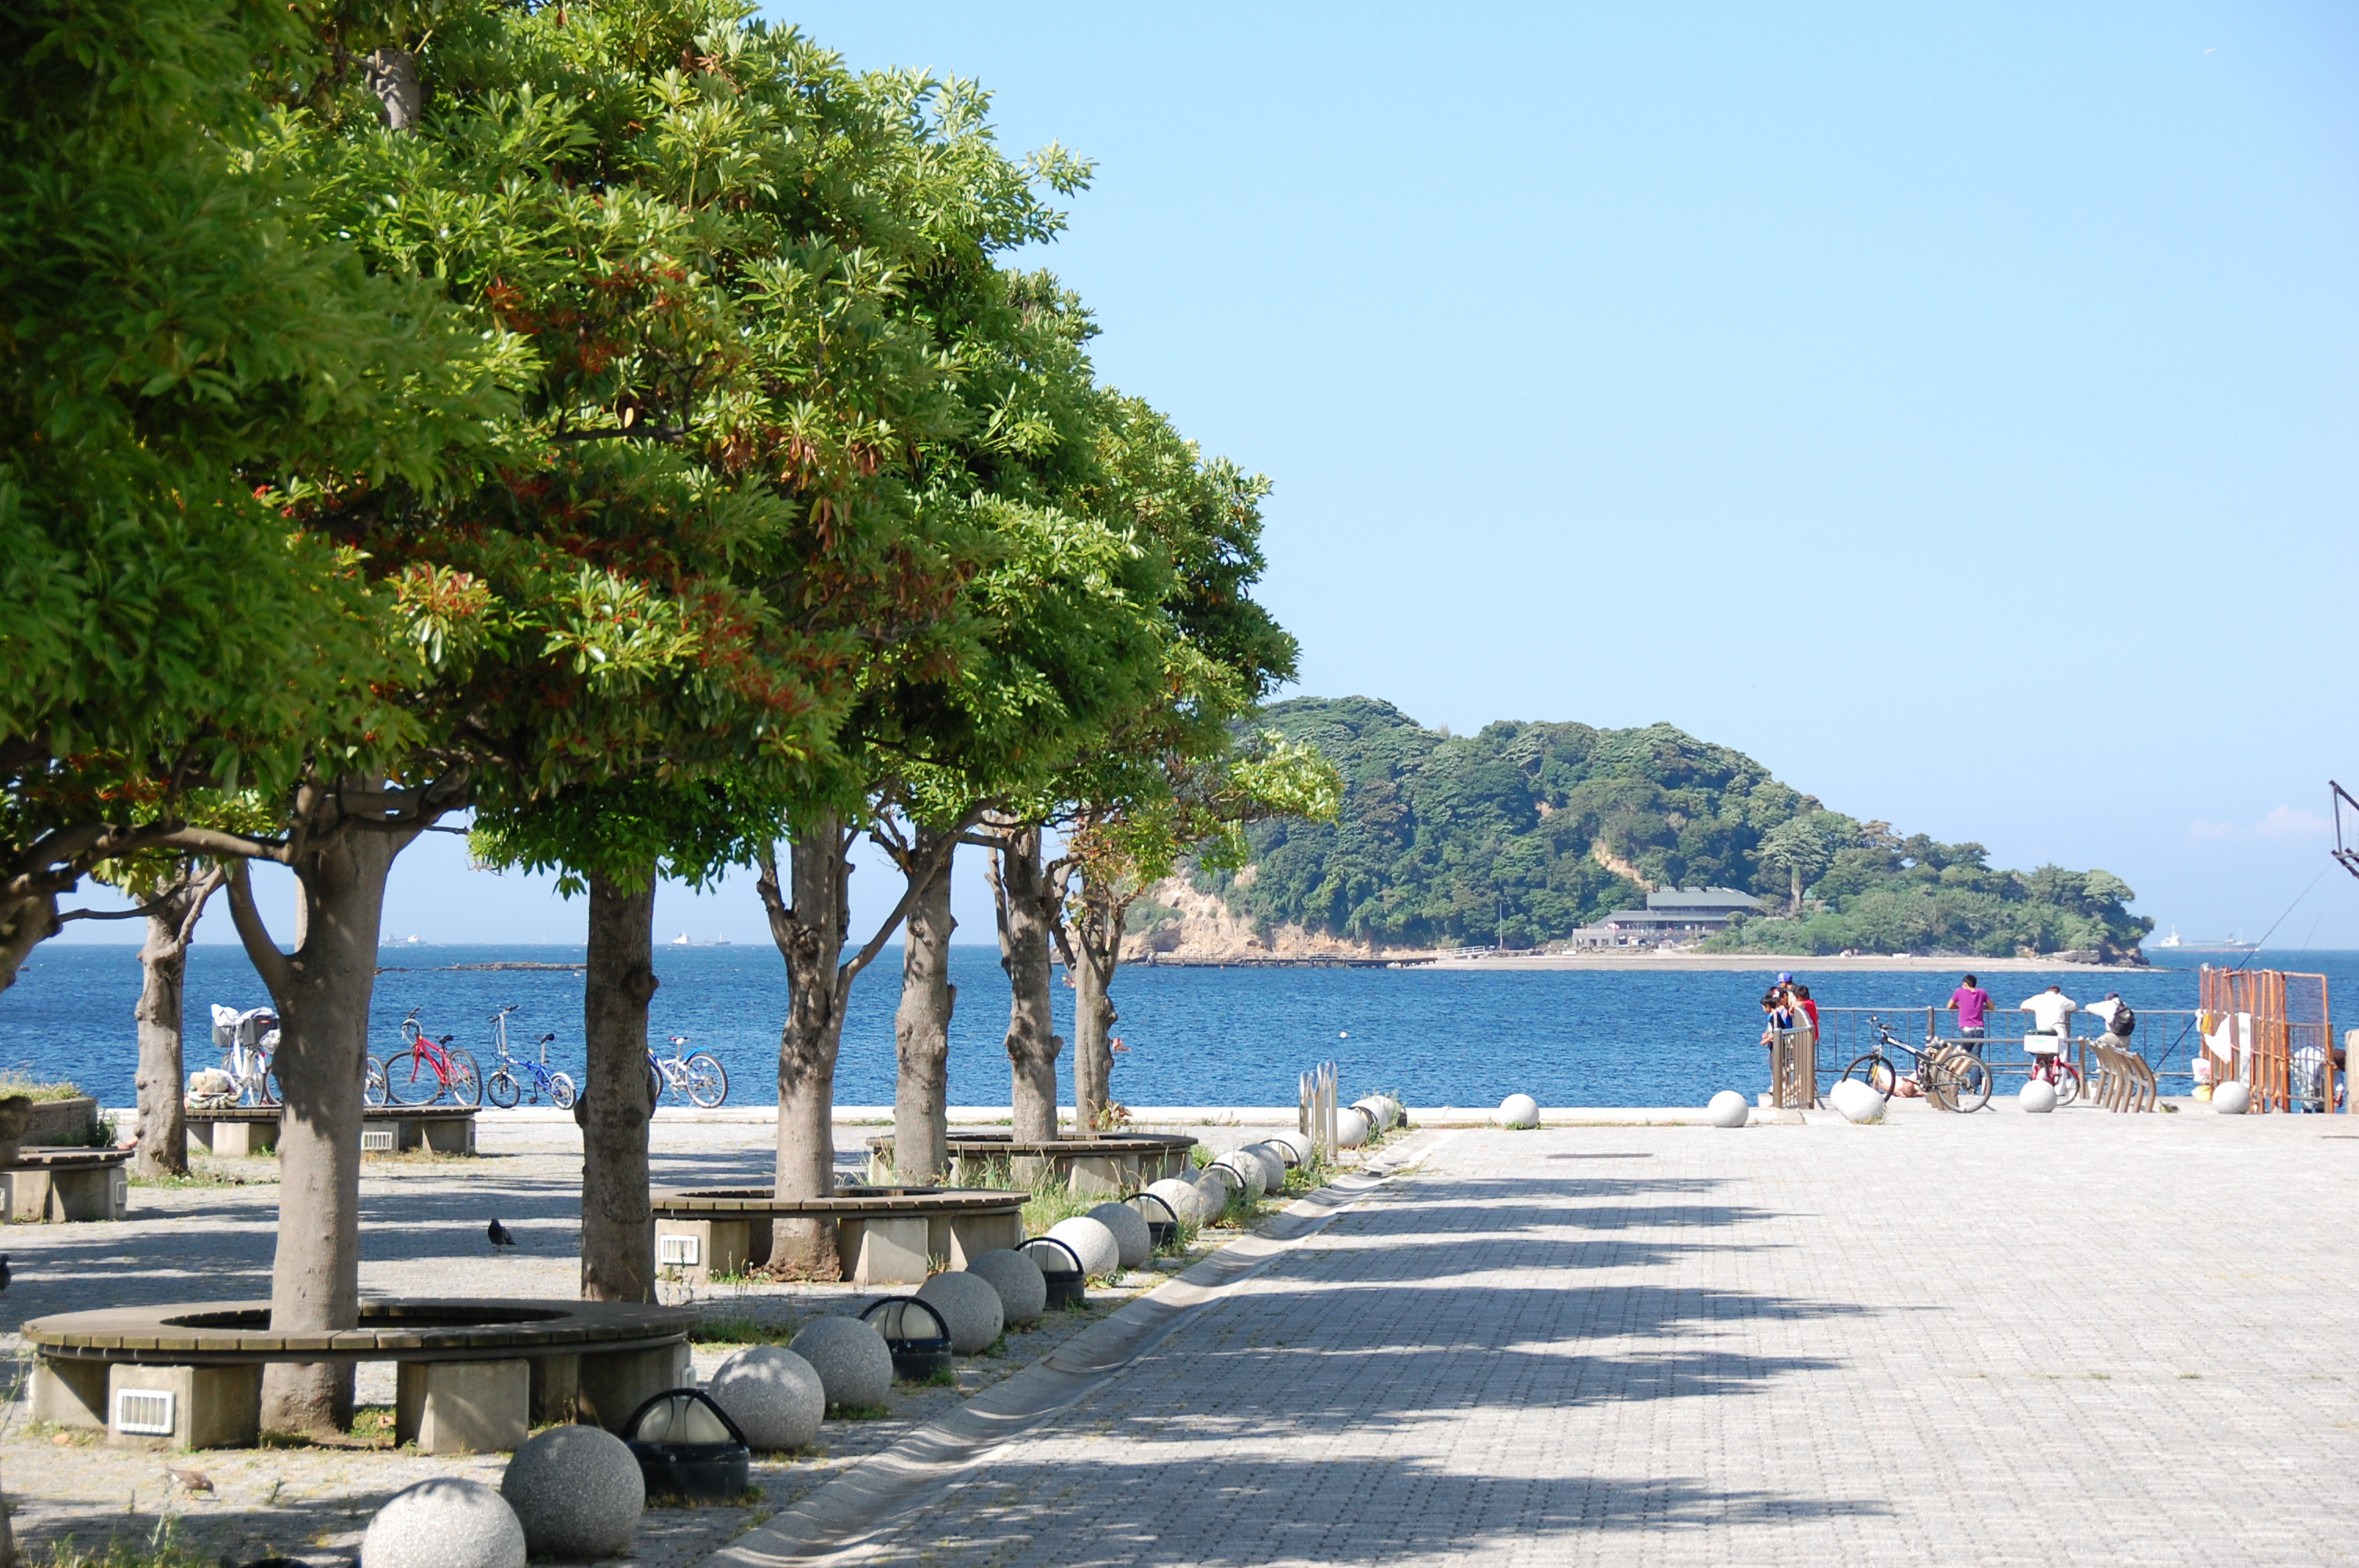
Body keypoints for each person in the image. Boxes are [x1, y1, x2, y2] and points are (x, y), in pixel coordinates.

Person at [2020, 984, 2078, 1058]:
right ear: (2058, 992)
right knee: (2062, 1051)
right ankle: (2060, 1068)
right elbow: (2074, 1006)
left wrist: (2035, 1010)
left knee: (2041, 1053)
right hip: (2057, 1028)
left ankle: (2040, 1068)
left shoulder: (2038, 998)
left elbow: (2023, 1006)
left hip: (2042, 1030)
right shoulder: (2061, 999)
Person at [1946, 973, 1993, 1058]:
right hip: (1979, 1029)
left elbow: (1950, 1006)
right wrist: (1981, 1007)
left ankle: (1958, 1071)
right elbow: (1992, 1007)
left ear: (1965, 984)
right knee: (1976, 1058)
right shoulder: (1982, 992)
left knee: (1961, 1057)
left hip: (1967, 1029)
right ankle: (1976, 1071)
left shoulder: (1960, 992)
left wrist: (1960, 1007)